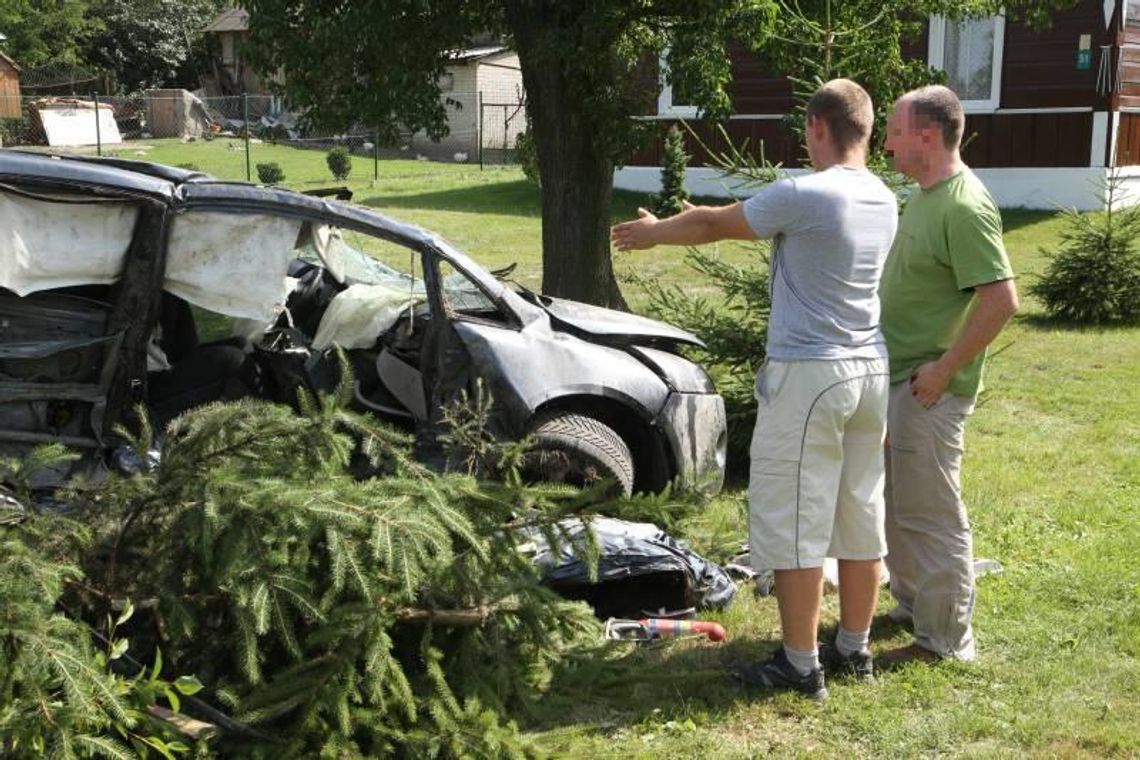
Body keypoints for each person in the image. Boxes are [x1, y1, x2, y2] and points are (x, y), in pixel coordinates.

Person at [611, 79, 897, 699]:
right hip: (872, 372)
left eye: (806, 130)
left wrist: (655, 231)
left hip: (812, 376)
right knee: (859, 513)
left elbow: (717, 223)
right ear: (868, 131)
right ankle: (853, 648)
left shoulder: (808, 194)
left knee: (796, 518)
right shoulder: (883, 196)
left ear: (818, 128)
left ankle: (800, 664)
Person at [878, 85, 1019, 664]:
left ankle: (944, 640)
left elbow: (1001, 299)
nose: (886, 143)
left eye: (894, 131)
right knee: (900, 504)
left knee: (932, 513)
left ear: (927, 139)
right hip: (902, 382)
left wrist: (942, 371)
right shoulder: (926, 194)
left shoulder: (964, 205)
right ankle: (914, 606)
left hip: (928, 389)